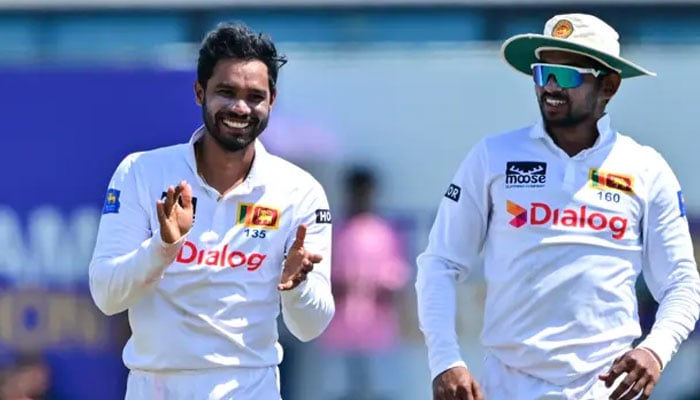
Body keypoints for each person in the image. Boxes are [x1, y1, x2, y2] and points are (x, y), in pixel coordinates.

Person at [415, 13, 700, 400]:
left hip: (610, 390)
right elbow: (440, 263)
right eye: (541, 72)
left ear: (609, 86)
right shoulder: (492, 156)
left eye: (566, 76)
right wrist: (445, 360)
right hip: (508, 388)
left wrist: (655, 349)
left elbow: (681, 282)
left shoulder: (647, 168)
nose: (549, 86)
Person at [88, 21, 334, 399]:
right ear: (199, 92)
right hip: (156, 387)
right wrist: (162, 248)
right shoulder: (142, 172)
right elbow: (107, 295)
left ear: (272, 100)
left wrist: (297, 287)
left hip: (252, 387)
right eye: (226, 92)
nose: (240, 108)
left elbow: (311, 326)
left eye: (255, 96)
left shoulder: (300, 192)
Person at [319, 166, 410, 400]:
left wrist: (383, 287)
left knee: (380, 388)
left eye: (365, 192)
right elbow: (321, 274)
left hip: (377, 326)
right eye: (356, 192)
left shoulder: (385, 231)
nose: (361, 198)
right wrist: (336, 286)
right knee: (339, 389)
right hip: (339, 324)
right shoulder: (335, 230)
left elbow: (398, 275)